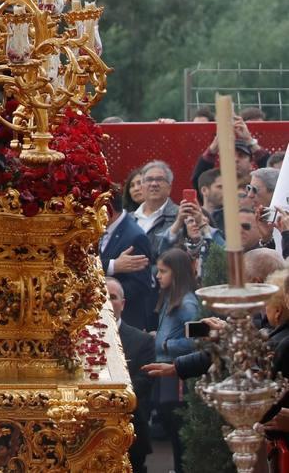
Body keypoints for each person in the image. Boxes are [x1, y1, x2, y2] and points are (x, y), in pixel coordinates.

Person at [153, 247, 200, 472]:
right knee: (172, 429)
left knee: (178, 430)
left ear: (177, 273)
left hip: (177, 376)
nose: (158, 275)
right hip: (167, 372)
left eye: (163, 271)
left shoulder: (187, 305)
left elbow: (196, 341)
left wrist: (166, 345)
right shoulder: (171, 298)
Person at [106, 277, 154, 473]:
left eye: (112, 297)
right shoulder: (78, 338)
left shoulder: (142, 341)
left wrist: (108, 399)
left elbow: (143, 382)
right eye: (102, 297)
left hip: (130, 431)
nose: (107, 302)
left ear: (123, 304)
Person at [98, 189, 155, 330]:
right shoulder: (100, 228)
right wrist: (113, 266)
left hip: (126, 324)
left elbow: (141, 285)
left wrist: (105, 293)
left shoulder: (135, 237)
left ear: (108, 209)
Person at [132, 160, 179, 252]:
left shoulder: (180, 216)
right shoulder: (129, 218)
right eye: (149, 179)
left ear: (169, 187)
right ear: (142, 187)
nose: (154, 184)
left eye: (159, 179)